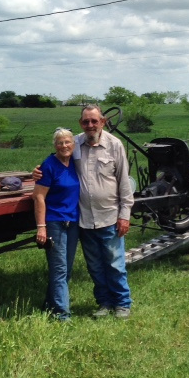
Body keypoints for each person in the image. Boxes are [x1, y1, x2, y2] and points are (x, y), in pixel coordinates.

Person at [33, 105, 134, 319]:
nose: (90, 125)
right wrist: (38, 171)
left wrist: (125, 215)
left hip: (109, 216)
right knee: (95, 266)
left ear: (103, 122)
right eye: (86, 121)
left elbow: (124, 183)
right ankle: (105, 303)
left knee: (115, 264)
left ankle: (122, 303)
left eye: (94, 121)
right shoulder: (76, 142)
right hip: (85, 220)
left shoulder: (114, 146)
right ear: (81, 124)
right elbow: (59, 154)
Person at [32, 128, 80, 321]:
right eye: (60, 143)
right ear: (55, 146)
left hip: (74, 221)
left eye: (67, 142)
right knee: (59, 269)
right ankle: (62, 315)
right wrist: (41, 226)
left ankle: (49, 305)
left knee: (66, 269)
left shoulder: (75, 164)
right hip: (55, 222)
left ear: (73, 144)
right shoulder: (48, 165)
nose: (64, 146)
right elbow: (39, 197)